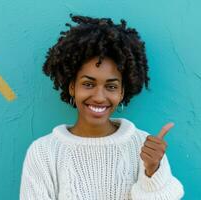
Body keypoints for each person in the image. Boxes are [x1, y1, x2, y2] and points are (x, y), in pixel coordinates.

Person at [20, 14, 184, 200]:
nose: (99, 97)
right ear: (72, 87)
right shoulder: (44, 152)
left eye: (111, 86)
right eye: (88, 84)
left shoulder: (144, 146)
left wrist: (152, 171)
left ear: (122, 92)